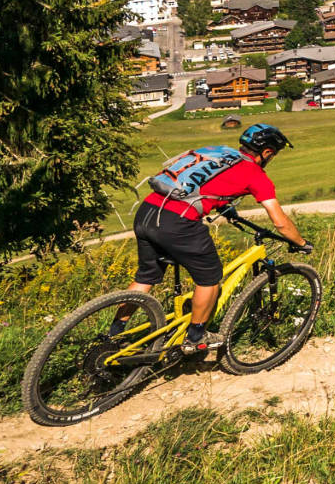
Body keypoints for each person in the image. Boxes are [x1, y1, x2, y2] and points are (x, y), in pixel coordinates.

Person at [124, 123, 312, 356]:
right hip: (178, 221)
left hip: (148, 211)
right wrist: (301, 243)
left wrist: (225, 208)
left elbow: (206, 183)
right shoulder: (256, 175)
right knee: (210, 278)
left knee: (146, 277)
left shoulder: (218, 151)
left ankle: (115, 334)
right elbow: (280, 222)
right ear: (267, 152)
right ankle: (196, 337)